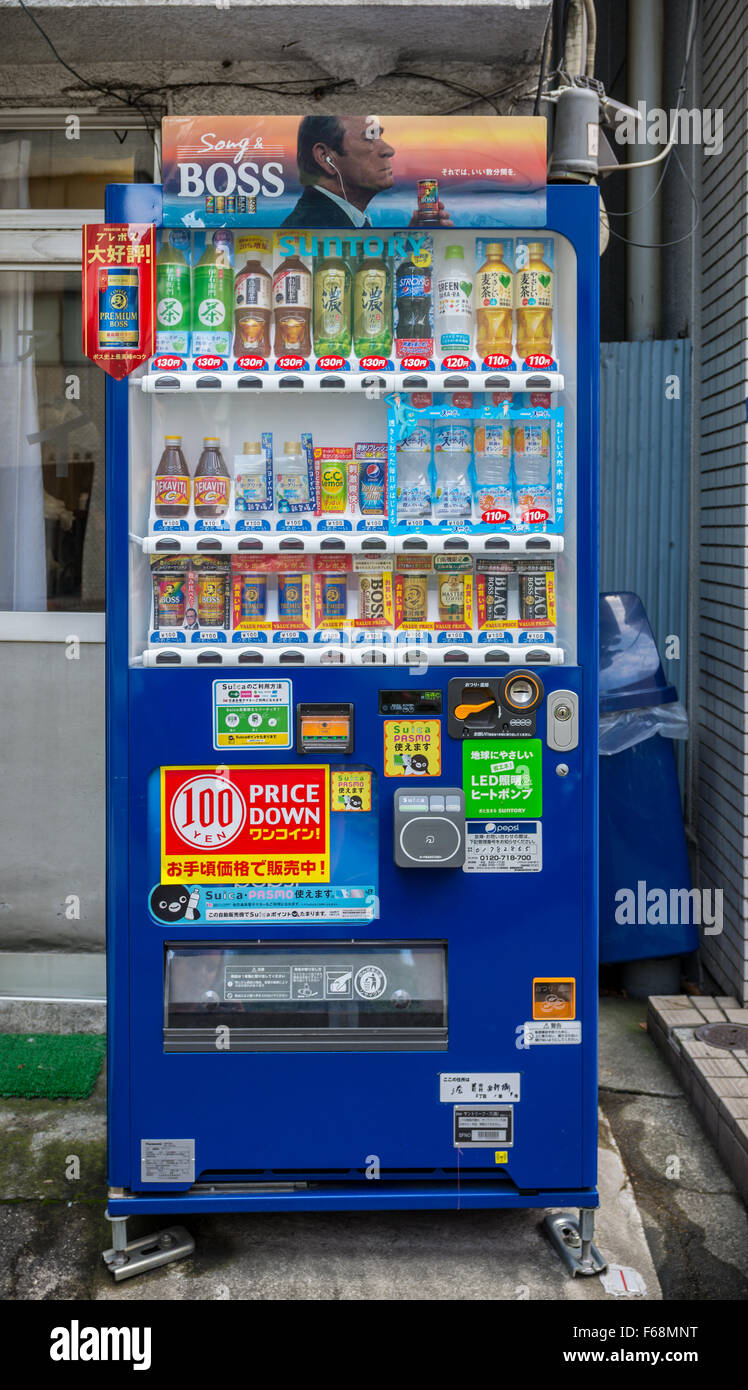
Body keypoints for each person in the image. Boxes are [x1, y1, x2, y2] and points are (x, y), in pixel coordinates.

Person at [281, 116, 453, 229]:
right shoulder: (310, 228)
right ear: (326, 156)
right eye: (370, 138)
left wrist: (412, 243)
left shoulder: (339, 220)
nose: (389, 150)